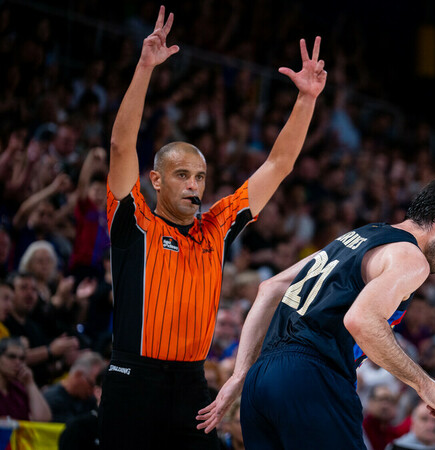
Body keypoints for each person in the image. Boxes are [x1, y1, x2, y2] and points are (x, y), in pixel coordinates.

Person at [99, 5, 327, 450]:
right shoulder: (134, 220)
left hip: (191, 385)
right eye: (182, 175)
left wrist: (306, 100)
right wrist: (145, 67)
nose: (194, 184)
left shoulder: (217, 226)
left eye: (200, 176)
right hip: (132, 379)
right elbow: (120, 143)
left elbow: (279, 164)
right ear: (156, 180)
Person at [198, 175, 435, 449]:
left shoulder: (359, 237)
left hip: (261, 381)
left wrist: (239, 375)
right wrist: (425, 385)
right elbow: (361, 319)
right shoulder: (411, 257)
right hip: (313, 379)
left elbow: (271, 288)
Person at [43, 350, 106, 423]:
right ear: (78, 374)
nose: (93, 391)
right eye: (91, 384)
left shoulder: (90, 400)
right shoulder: (52, 400)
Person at [0, 337, 52, 421]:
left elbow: (43, 420)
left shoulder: (19, 389)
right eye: (11, 356)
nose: (18, 362)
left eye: (22, 358)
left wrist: (30, 383)